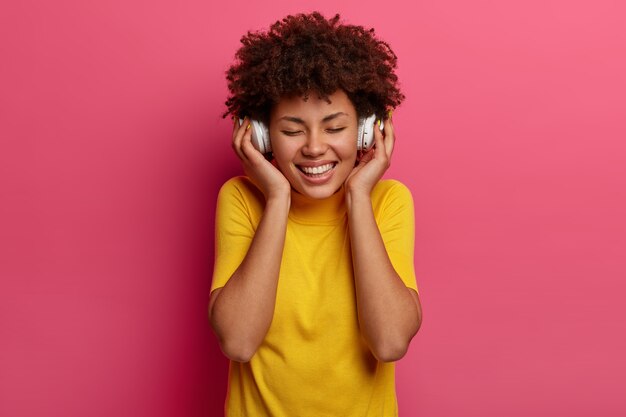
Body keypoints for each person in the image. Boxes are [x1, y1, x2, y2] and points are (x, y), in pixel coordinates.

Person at [209, 12, 422, 416]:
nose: (313, 147)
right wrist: (276, 197)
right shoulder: (241, 198)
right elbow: (238, 341)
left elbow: (391, 342)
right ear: (261, 134)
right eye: (291, 131)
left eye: (334, 128)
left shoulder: (389, 201)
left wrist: (359, 195)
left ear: (365, 130)